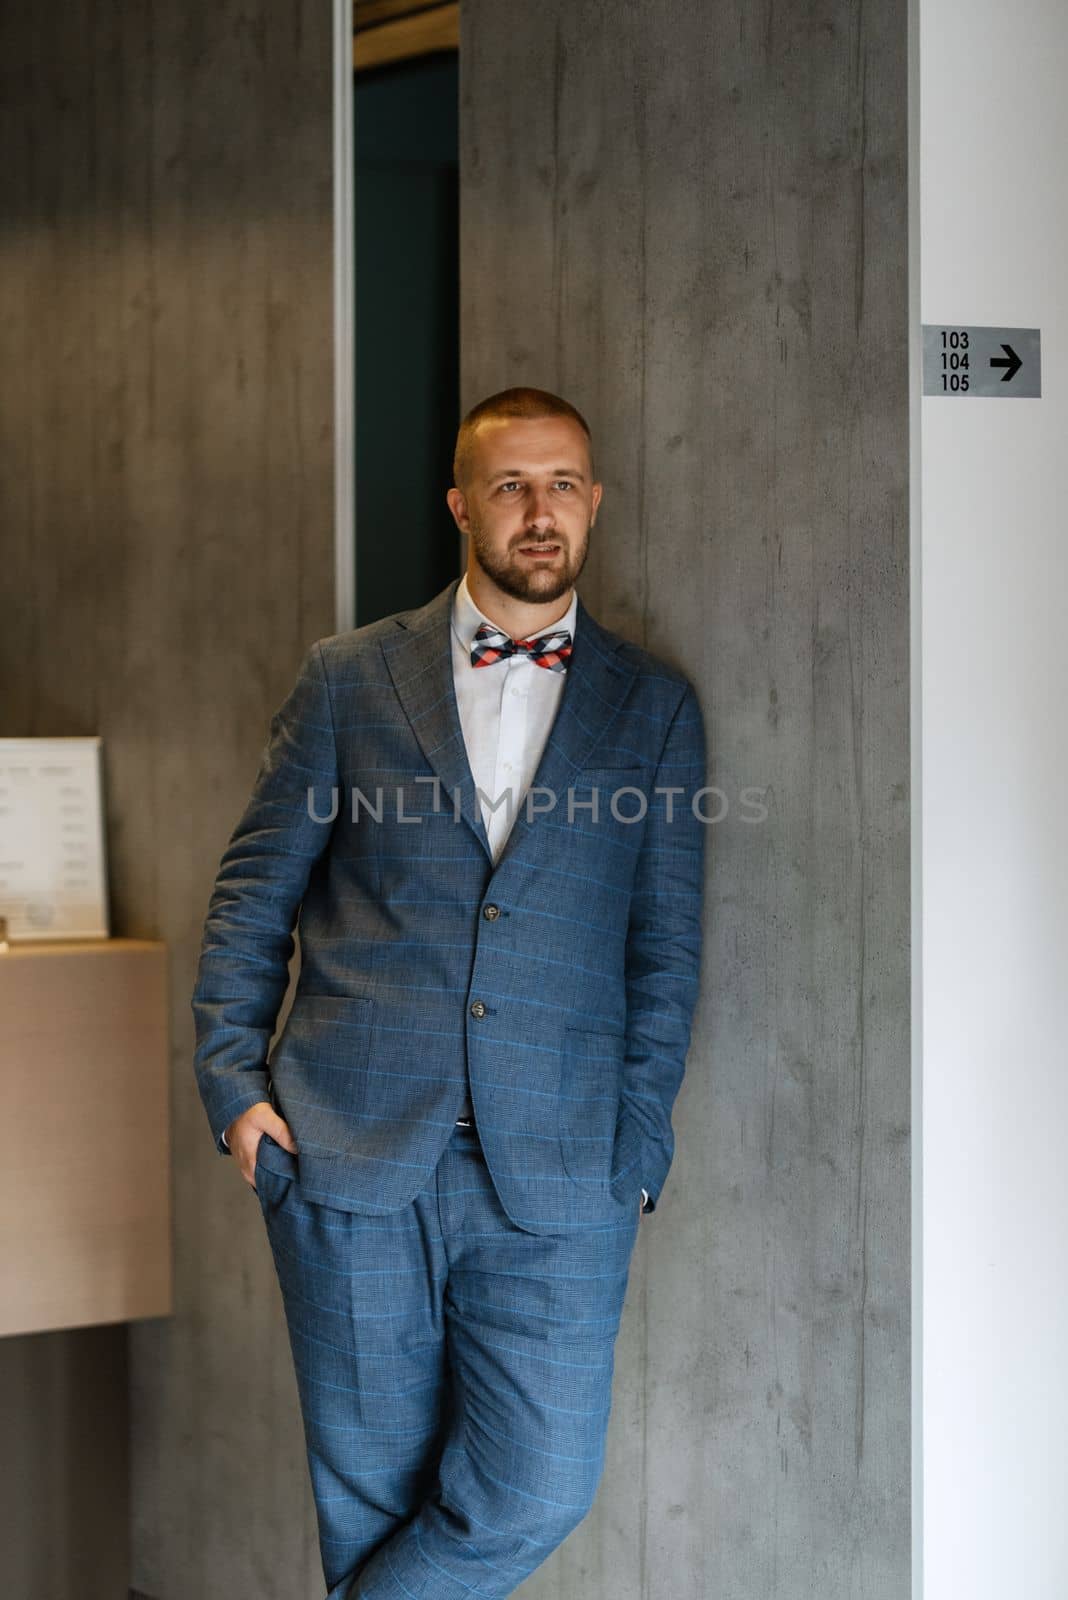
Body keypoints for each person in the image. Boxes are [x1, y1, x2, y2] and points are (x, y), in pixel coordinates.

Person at [191, 386, 707, 1599]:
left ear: (596, 504)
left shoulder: (654, 705)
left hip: (564, 1178)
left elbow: (664, 952)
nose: (541, 512)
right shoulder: (348, 681)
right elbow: (253, 896)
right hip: (348, 1150)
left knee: (536, 1487)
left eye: (565, 484)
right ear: (461, 503)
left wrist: (635, 1146)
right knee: (367, 1495)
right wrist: (233, 1087)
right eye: (514, 485)